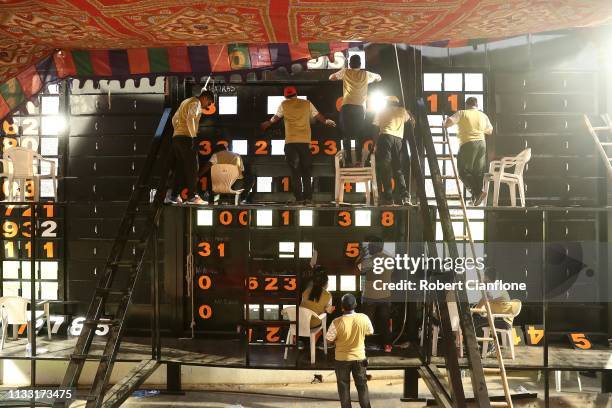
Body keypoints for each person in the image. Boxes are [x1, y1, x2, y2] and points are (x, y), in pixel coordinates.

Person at [261, 86, 335, 205]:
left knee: (295, 172)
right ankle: (308, 198)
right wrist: (326, 121)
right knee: (306, 171)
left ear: (285, 96)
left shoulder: (284, 104)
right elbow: (317, 115)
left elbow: (276, 117)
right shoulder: (307, 103)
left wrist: (268, 123)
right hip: (305, 142)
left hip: (290, 142)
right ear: (296, 93)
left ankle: (299, 199)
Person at [329, 54, 381, 167]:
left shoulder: (345, 72)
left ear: (349, 64)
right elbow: (379, 77)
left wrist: (342, 74)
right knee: (358, 134)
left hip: (347, 106)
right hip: (360, 108)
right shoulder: (366, 74)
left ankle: (347, 161)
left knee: (346, 134)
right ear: (360, 64)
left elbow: (331, 78)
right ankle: (358, 161)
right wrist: (372, 79)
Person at [166, 89, 215, 205]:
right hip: (186, 138)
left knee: (180, 168)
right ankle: (192, 196)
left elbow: (174, 119)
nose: (207, 106)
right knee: (193, 167)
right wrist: (193, 137)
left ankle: (173, 196)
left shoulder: (186, 101)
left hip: (176, 138)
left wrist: (178, 130)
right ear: (205, 98)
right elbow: (191, 118)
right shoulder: (196, 103)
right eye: (208, 103)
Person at [326, 293, 373, 408]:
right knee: (362, 386)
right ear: (355, 305)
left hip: (341, 360)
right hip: (359, 358)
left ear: (342, 307)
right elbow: (370, 331)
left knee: (343, 387)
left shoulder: (336, 322)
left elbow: (328, 340)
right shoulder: (363, 318)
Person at [444, 97, 493, 206]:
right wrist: (478, 129)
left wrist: (445, 121)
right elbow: (490, 131)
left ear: (466, 104)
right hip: (482, 144)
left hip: (468, 143)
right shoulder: (483, 115)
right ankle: (476, 197)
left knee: (462, 171)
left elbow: (447, 123)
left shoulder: (462, 113)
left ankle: (478, 193)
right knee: (478, 172)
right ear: (477, 105)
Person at [373, 96, 413, 205]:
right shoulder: (403, 111)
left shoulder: (381, 110)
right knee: (397, 168)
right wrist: (408, 113)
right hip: (398, 140)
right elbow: (411, 122)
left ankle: (388, 198)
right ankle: (405, 196)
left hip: (385, 138)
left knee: (385, 168)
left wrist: (374, 145)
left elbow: (376, 128)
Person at [357, 235, 394, 353]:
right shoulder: (390, 259)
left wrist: (362, 254)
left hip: (370, 296)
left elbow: (358, 268)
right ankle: (388, 345)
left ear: (373, 247)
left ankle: (362, 344)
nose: (369, 248)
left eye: (370, 246)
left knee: (366, 321)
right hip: (385, 295)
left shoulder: (369, 261)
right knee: (385, 322)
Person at [471, 267, 520, 353]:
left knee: (473, 323)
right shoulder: (496, 286)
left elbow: (484, 300)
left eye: (483, 276)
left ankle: (489, 345)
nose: (482, 278)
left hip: (502, 320)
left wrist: (474, 310)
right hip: (499, 318)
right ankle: (484, 344)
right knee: (475, 317)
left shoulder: (495, 287)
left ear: (487, 277)